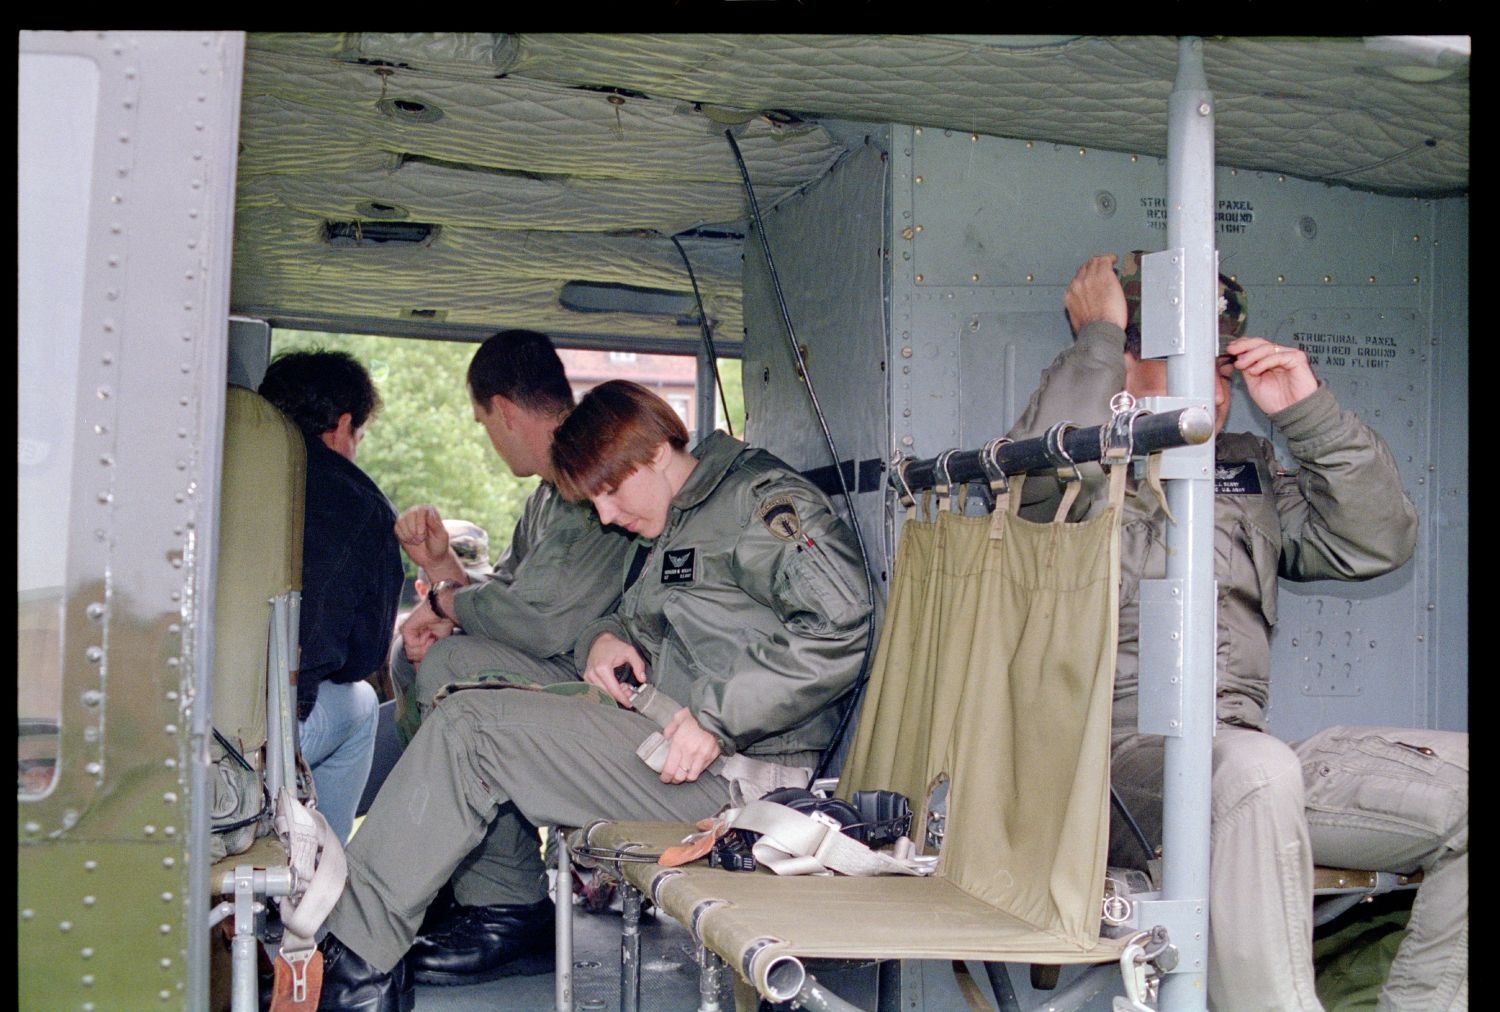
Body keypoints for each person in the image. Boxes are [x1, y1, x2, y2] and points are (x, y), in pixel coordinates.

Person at [311, 380, 872, 1010]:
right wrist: (606, 639)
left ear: (658, 451)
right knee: (459, 679)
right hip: (661, 734)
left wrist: (717, 719)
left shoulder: (759, 503)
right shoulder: (677, 514)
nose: (605, 514)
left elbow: (842, 623)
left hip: (736, 778)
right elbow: (635, 619)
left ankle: (352, 971)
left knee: (474, 731)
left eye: (609, 490)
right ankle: (391, 934)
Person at [1007, 253, 1467, 1011]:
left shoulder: (1244, 470)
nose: (1216, 390)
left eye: (1223, 368)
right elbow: (1036, 483)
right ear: (1124, 363)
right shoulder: (1074, 465)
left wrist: (1306, 413)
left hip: (1244, 762)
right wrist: (1095, 341)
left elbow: (1373, 543)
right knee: (1253, 771)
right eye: (1184, 360)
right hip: (1107, 775)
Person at [374, 332, 635, 985]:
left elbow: (540, 621)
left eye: (484, 423)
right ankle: (458, 874)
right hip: (570, 667)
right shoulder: (549, 497)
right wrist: (440, 575)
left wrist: (443, 604)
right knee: (421, 659)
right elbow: (507, 597)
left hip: (609, 685)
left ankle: (507, 905)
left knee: (450, 670)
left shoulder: (585, 486)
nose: (490, 437)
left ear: (505, 411)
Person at [258, 349, 405, 846]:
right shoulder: (360, 502)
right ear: (343, 426)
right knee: (362, 702)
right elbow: (361, 660)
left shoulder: (210, 479)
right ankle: (323, 885)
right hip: (269, 738)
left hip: (179, 729)